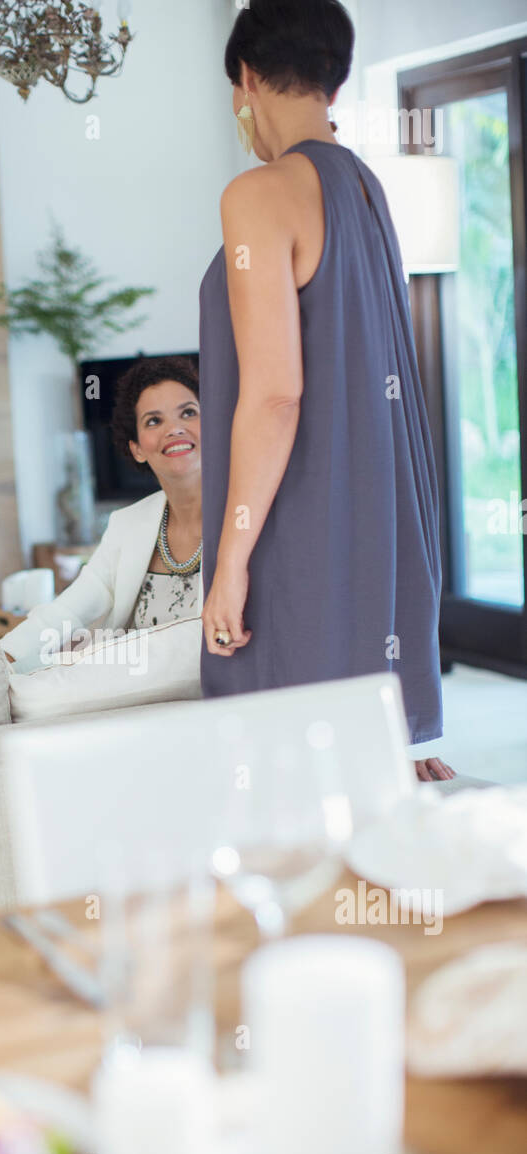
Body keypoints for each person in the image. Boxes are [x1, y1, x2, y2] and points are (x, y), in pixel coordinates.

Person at [199, 0, 454, 782]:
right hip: (369, 509)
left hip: (295, 511)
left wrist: (232, 557)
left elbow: (276, 394)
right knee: (344, 758)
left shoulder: (258, 193)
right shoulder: (367, 188)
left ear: (244, 77)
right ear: (334, 85)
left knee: (285, 769)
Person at [0, 356, 202, 672]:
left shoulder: (247, 516)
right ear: (136, 447)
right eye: (153, 421)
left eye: (188, 413)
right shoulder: (127, 525)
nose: (174, 428)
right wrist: (0, 659)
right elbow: (66, 611)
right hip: (134, 695)